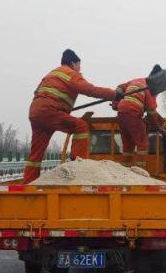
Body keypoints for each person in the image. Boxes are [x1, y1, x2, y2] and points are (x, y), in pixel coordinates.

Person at [24, 49, 116, 184]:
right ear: (73, 63)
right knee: (81, 126)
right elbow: (91, 90)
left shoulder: (52, 74)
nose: (80, 69)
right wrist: (114, 94)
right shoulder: (70, 73)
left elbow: (44, 93)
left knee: (36, 155)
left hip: (36, 113)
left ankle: (28, 184)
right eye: (79, 65)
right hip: (50, 111)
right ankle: (78, 167)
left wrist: (63, 107)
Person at [113, 65, 164, 166]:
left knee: (128, 144)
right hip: (132, 113)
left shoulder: (137, 81)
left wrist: (116, 102)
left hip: (121, 113)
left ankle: (125, 166)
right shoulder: (150, 88)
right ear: (157, 80)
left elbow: (119, 88)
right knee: (143, 143)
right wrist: (156, 125)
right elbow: (151, 112)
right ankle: (140, 170)